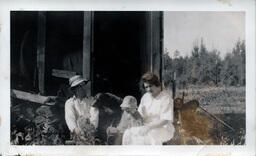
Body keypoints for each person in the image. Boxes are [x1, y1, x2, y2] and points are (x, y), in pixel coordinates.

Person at [122, 73, 175, 145]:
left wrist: (148, 127)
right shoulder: (145, 97)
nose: (148, 89)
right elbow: (140, 115)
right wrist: (132, 113)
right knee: (128, 133)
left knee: (148, 135)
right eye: (146, 87)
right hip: (146, 126)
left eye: (150, 86)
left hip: (163, 128)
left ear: (157, 84)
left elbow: (165, 120)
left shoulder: (165, 98)